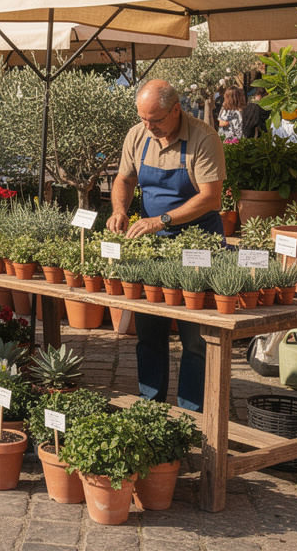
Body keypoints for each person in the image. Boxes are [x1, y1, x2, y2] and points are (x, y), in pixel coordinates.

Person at [107, 79, 225, 412]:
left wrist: (163, 221)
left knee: (194, 338)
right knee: (149, 331)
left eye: (155, 119)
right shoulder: (138, 135)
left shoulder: (204, 138)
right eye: (143, 118)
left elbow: (210, 197)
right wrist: (119, 209)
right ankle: (150, 407)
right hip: (153, 247)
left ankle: (193, 414)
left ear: (176, 110)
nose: (148, 126)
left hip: (197, 245)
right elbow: (125, 179)